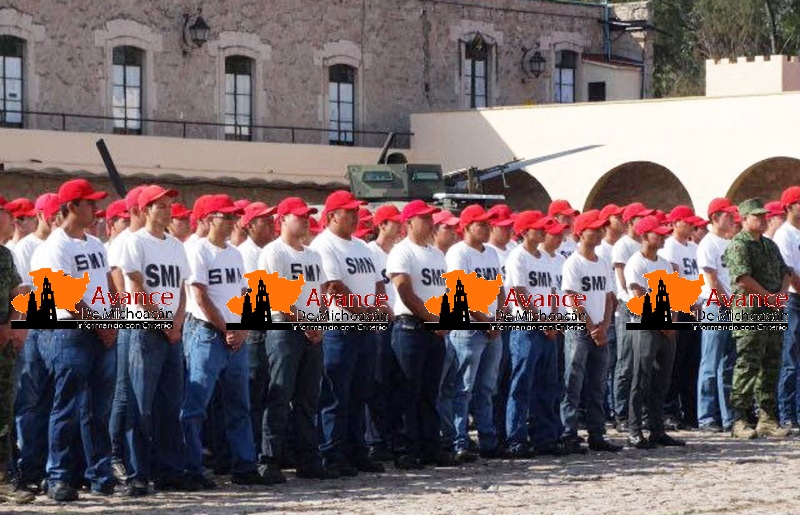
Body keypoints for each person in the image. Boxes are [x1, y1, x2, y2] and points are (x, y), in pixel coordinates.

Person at [33, 179, 116, 501]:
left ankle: (98, 473)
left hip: (100, 332)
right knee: (65, 407)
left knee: (98, 408)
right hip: (70, 332)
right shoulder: (54, 247)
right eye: (89, 204)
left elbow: (107, 283)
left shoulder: (95, 244)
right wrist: (100, 324)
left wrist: (113, 320)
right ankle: (58, 476)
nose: (95, 209)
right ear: (71, 208)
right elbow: (64, 295)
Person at [182, 194, 271, 487]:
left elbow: (246, 294)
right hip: (207, 333)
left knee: (239, 405)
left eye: (234, 215)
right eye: (226, 215)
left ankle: (243, 465)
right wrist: (225, 328)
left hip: (235, 336)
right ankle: (192, 468)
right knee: (196, 407)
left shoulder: (234, 253)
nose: (233, 220)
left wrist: (243, 328)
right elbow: (200, 295)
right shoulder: (198, 250)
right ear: (209, 219)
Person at [118, 185, 193, 495]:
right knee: (140, 405)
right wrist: (164, 324)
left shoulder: (175, 245)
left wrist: (175, 322)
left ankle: (169, 470)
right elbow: (135, 287)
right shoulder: (134, 243)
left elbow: (180, 290)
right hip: (144, 331)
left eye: (168, 204)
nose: (167, 209)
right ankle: (137, 473)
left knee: (169, 404)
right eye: (159, 205)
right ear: (145, 210)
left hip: (171, 333)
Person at [310, 191, 390, 476]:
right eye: (349, 211)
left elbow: (379, 283)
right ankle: (332, 453)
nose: (356, 216)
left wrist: (379, 310)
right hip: (341, 328)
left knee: (360, 392)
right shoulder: (324, 245)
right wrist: (367, 313)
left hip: (366, 330)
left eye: (357, 211)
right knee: (335, 395)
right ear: (332, 215)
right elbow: (334, 288)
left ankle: (356, 450)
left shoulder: (362, 246)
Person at [257, 197, 334, 481]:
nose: (305, 220)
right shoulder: (273, 252)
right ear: (283, 219)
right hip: (285, 329)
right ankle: (269, 460)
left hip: (311, 331)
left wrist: (320, 323)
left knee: (307, 399)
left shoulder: (313, 255)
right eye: (299, 216)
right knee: (279, 395)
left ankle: (308, 460)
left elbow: (321, 292)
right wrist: (306, 323)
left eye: (307, 216)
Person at [386, 200, 452, 469]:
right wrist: (432, 319)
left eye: (431, 218)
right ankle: (405, 448)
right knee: (407, 391)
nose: (430, 223)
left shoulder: (436, 254)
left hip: (435, 329)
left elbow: (444, 291)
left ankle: (428, 445)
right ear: (409, 223)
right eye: (424, 219)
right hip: (411, 327)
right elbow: (405, 291)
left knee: (429, 390)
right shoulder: (402, 252)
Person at [440, 204, 505, 459]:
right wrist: (485, 320)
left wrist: (497, 319)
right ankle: (459, 441)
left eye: (489, 223)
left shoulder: (490, 254)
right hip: (468, 328)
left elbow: (499, 288)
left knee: (487, 387)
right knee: (462, 387)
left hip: (490, 327)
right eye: (482, 224)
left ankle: (488, 440)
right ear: (467, 227)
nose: (488, 227)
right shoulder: (459, 253)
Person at [725, 198, 791, 439]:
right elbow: (743, 278)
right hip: (750, 313)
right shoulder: (738, 245)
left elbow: (786, 272)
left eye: (764, 216)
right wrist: (769, 298)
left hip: (773, 312)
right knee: (747, 365)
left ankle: (767, 418)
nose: (763, 219)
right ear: (743, 219)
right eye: (757, 216)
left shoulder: (769, 245)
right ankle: (740, 420)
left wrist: (781, 296)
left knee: (771, 364)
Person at [11, 193, 61, 495]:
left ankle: (48, 465)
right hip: (32, 330)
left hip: (55, 329)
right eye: (52, 214)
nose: (57, 218)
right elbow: (24, 293)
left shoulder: (57, 245)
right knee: (30, 401)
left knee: (51, 400)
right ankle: (29, 466)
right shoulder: (25, 248)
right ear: (42, 215)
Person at [504, 211, 565, 458]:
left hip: (545, 327)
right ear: (525, 231)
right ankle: (516, 438)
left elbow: (550, 291)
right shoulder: (517, 257)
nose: (542, 232)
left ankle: (545, 437)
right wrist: (542, 322)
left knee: (547, 384)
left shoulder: (543, 258)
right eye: (537, 228)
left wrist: (551, 318)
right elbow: (519, 292)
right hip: (526, 327)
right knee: (521, 384)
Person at [561, 210, 622, 453]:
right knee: (573, 382)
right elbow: (573, 298)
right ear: (580, 233)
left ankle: (597, 434)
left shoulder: (603, 262)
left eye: (600, 229)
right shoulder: (573, 263)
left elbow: (609, 297)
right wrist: (591, 326)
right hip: (579, 328)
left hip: (600, 328)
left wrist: (605, 325)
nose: (598, 233)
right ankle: (569, 433)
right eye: (593, 229)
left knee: (597, 383)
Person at [624, 215, 685, 449]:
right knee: (641, 377)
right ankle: (634, 429)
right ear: (644, 236)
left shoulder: (664, 263)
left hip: (667, 326)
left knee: (662, 379)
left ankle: (657, 429)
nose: (662, 237)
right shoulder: (636, 263)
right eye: (657, 233)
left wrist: (673, 320)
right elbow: (638, 298)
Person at [106, 185, 148, 482]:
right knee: (123, 394)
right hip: (129, 323)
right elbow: (118, 281)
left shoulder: (146, 240)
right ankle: (115, 455)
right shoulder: (124, 241)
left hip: (146, 323)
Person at [696, 198, 738, 432]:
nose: (732, 219)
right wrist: (728, 302)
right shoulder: (708, 244)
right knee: (710, 363)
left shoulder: (730, 243)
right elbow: (712, 280)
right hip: (715, 306)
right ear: (715, 218)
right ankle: (706, 416)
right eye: (727, 215)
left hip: (732, 306)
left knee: (729, 364)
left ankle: (728, 417)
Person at [365, 204, 402, 462]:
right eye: (394, 222)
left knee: (396, 383)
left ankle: (392, 436)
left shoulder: (400, 252)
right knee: (376, 383)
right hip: (379, 323)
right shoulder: (370, 252)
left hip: (400, 322)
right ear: (381, 225)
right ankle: (375, 440)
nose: (400, 226)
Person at [612, 202, 654, 430]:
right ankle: (621, 414)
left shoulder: (643, 247)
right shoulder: (622, 246)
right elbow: (622, 279)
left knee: (643, 363)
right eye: (640, 218)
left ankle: (640, 411)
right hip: (628, 306)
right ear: (631, 222)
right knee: (626, 361)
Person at [660, 205, 702, 429]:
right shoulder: (670, 247)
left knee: (691, 363)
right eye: (687, 222)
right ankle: (669, 409)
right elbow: (673, 280)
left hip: (695, 309)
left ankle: (690, 411)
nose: (692, 225)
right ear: (676, 223)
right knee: (675, 362)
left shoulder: (694, 247)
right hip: (680, 310)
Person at [0, 196, 24, 486]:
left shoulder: (5, 255)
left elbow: (18, 292)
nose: (7, 217)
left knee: (4, 410)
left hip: (4, 343)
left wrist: (9, 325)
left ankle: (4, 477)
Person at [774, 187, 800, 430]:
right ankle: (787, 413)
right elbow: (789, 273)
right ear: (790, 206)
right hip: (793, 299)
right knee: (789, 358)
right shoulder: (785, 235)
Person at [595, 204, 624, 422]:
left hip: (612, 312)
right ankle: (608, 409)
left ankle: (612, 409)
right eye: (618, 217)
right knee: (607, 365)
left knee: (614, 363)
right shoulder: (601, 249)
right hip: (606, 313)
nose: (622, 220)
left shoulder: (617, 246)